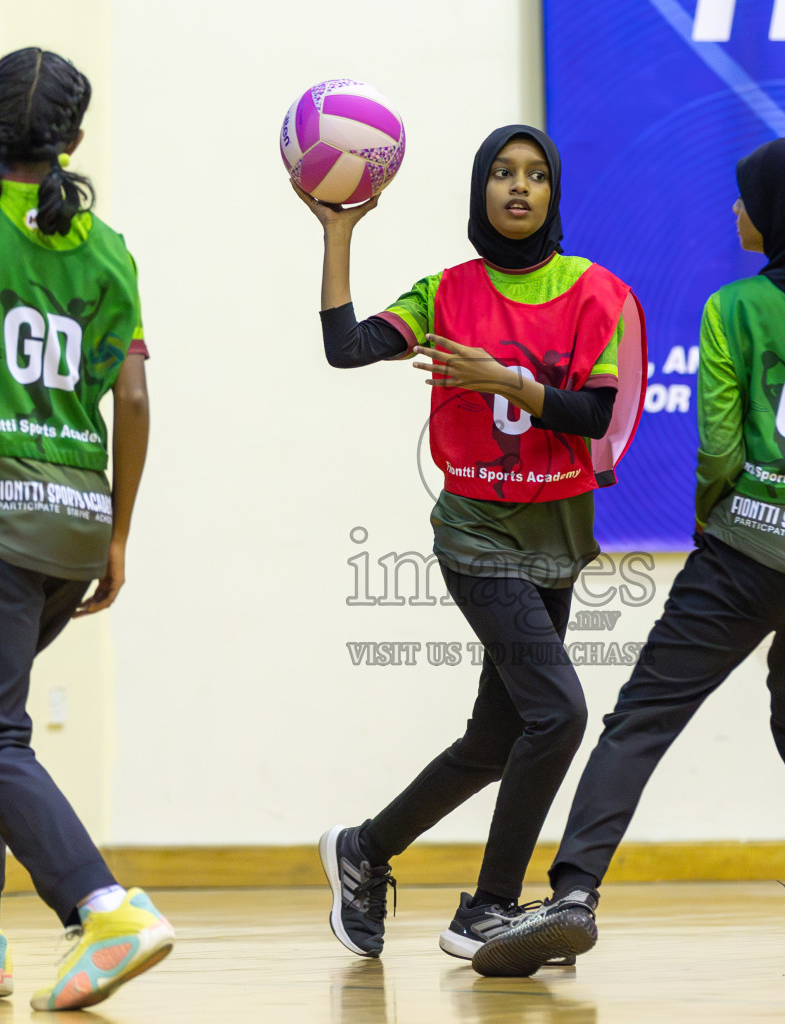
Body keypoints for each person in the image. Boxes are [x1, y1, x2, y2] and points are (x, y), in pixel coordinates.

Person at [473, 138, 785, 978]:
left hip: (744, 551)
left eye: (746, 199)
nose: (736, 211)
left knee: (641, 720)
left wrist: (723, 535)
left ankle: (573, 897)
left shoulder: (735, 308)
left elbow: (720, 447)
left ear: (782, 213)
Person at [295, 124, 647, 963]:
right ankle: (487, 907)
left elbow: (598, 414)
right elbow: (346, 349)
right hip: (476, 535)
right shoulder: (445, 291)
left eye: (534, 175)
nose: (518, 187)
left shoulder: (598, 293)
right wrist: (339, 233)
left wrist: (508, 382)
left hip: (556, 538)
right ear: (480, 192)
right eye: (501, 173)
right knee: (560, 713)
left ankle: (363, 849)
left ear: (555, 193)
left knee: (496, 741)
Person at [0, 47, 172, 1010]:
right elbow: (133, 398)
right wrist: (119, 536)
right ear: (74, 140)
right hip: (77, 517)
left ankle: (101, 908)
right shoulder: (106, 246)